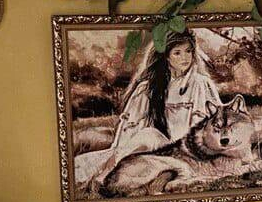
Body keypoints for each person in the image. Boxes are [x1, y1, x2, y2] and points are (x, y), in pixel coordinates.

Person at [76, 30, 221, 188]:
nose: (185, 57)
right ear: (166, 57)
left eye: (188, 51)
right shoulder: (148, 87)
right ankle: (108, 170)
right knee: (148, 135)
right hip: (159, 146)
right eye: (177, 53)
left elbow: (210, 122)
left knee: (149, 135)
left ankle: (105, 175)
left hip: (185, 150)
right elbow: (131, 125)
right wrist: (120, 148)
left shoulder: (200, 83)